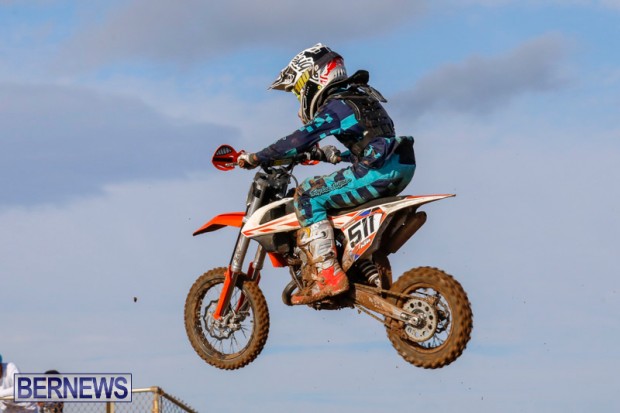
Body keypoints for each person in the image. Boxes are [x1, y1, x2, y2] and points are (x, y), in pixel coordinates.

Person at [238, 43, 416, 305]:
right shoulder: (361, 97)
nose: (299, 97)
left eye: (298, 90)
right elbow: (377, 142)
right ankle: (352, 261)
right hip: (401, 166)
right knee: (330, 196)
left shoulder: (336, 106)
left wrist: (257, 157)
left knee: (307, 195)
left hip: (377, 172)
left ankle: (327, 274)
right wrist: (334, 155)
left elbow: (299, 140)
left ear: (313, 78)